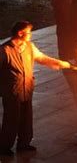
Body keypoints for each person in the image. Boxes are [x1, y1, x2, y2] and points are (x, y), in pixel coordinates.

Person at [0, 21, 70, 156]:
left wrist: (60, 63)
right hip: (12, 91)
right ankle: (4, 146)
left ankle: (24, 144)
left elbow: (42, 58)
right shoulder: (4, 50)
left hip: (27, 88)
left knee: (26, 117)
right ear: (20, 33)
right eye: (28, 32)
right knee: (11, 118)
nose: (30, 35)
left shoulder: (29, 46)